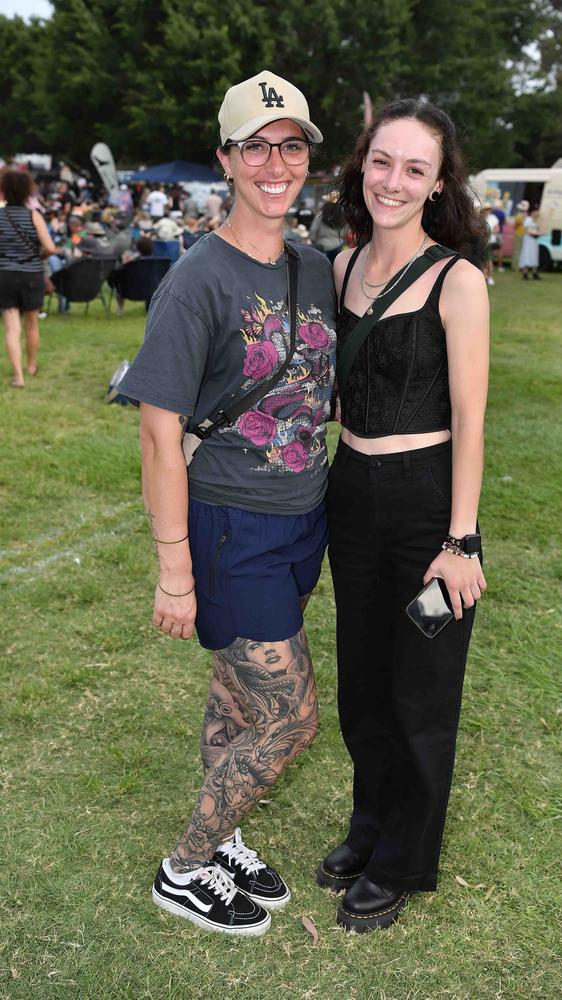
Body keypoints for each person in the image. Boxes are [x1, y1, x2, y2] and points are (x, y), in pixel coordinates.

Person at [117, 70, 335, 936]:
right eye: (257, 147)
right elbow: (156, 433)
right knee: (293, 717)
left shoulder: (311, 267)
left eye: (291, 146)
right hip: (229, 525)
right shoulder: (196, 279)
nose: (275, 163)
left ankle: (226, 834)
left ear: (306, 158)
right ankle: (187, 865)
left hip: (301, 517)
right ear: (226, 160)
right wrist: (175, 570)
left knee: (235, 699)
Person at [318, 97, 489, 933]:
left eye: (414, 168)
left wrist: (460, 539)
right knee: (363, 682)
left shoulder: (459, 281)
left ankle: (404, 860)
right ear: (362, 165)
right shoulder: (341, 268)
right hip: (348, 494)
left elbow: (472, 420)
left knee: (420, 692)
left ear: (437, 183)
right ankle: (369, 824)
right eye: (382, 161)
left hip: (427, 504)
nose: (393, 180)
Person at [0, 167, 58, 386]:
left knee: (11, 326)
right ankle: (31, 365)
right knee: (32, 324)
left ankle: (18, 375)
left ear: (3, 190)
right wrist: (38, 255)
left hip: (4, 275)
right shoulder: (34, 216)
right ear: (27, 192)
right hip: (32, 275)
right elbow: (50, 248)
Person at [518, 206, 542, 279]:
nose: (538, 213)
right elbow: (528, 231)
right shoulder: (528, 220)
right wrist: (539, 233)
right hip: (528, 241)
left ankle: (535, 272)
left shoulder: (535, 220)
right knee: (527, 255)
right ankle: (525, 273)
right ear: (532, 212)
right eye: (536, 211)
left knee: (534, 255)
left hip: (534, 241)